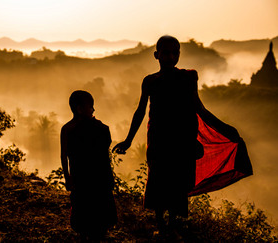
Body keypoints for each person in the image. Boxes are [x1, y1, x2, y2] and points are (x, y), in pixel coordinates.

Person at [113, 35, 252, 235]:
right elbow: (140, 111)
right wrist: (128, 140)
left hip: (182, 140)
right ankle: (160, 223)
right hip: (159, 140)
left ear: (179, 55)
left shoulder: (188, 77)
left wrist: (225, 129)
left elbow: (199, 108)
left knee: (178, 182)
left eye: (174, 52)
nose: (170, 57)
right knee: (159, 179)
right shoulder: (150, 81)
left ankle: (172, 223)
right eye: (165, 53)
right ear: (156, 55)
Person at [60, 90, 117, 241]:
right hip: (96, 179)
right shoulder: (100, 128)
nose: (93, 110)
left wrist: (68, 178)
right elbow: (106, 146)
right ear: (79, 109)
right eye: (90, 107)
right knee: (97, 215)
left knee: (84, 215)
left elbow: (63, 156)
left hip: (83, 179)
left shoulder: (67, 129)